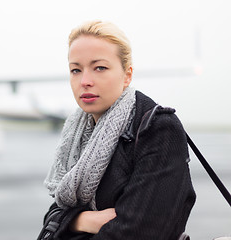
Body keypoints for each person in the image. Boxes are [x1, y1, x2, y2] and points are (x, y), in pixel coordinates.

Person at [39, 20, 196, 240]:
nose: (85, 81)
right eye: (75, 70)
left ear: (127, 75)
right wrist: (83, 220)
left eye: (99, 68)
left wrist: (68, 223)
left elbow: (141, 232)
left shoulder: (157, 128)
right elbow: (51, 217)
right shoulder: (77, 133)